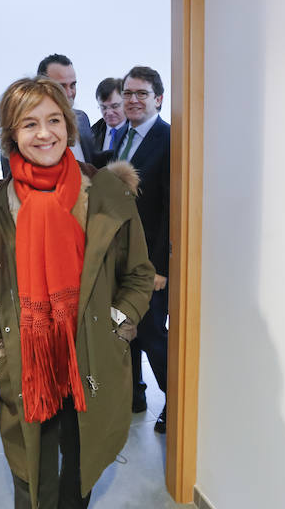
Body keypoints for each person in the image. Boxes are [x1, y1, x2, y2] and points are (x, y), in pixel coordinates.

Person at [0, 76, 155, 509]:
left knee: (82, 465)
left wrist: (117, 328)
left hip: (91, 356)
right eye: (29, 124)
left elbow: (140, 274)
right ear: (11, 134)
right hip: (26, 362)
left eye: (54, 120)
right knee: (32, 473)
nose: (44, 133)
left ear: (69, 125)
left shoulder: (105, 192)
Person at [116, 66, 171, 433]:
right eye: (128, 93)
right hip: (121, 256)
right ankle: (135, 393)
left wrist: (160, 267)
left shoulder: (169, 139)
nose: (133, 100)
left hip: (150, 260)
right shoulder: (124, 135)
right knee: (124, 324)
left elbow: (170, 209)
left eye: (141, 94)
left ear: (158, 100)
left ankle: (176, 398)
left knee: (152, 331)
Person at [90, 77, 128, 154]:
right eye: (103, 107)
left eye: (115, 106)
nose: (109, 112)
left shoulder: (138, 131)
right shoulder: (92, 134)